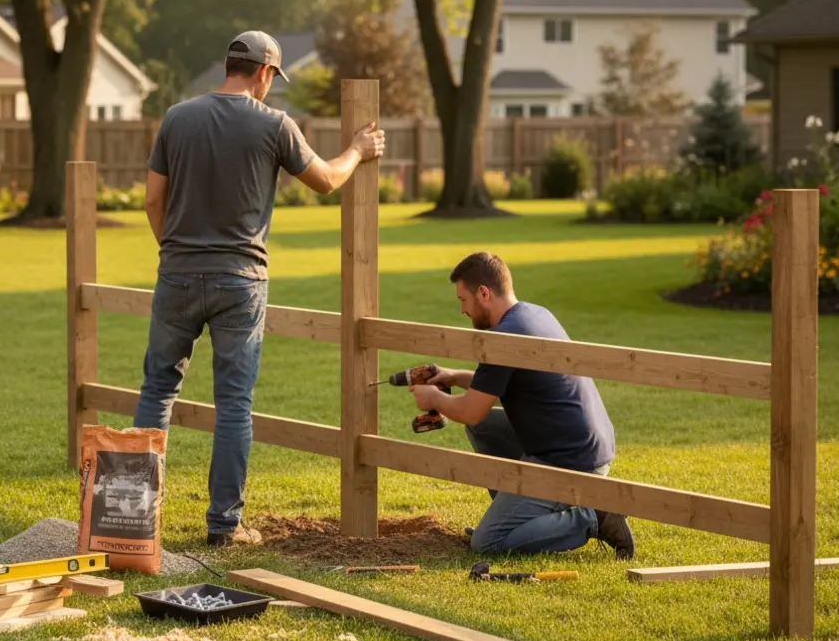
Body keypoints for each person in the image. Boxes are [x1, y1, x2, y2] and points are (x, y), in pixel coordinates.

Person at [133, 31, 386, 547]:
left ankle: (130, 517)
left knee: (157, 389)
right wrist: (357, 150)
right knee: (232, 403)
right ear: (265, 73)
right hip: (240, 282)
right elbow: (326, 180)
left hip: (177, 273)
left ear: (229, 65)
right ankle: (223, 526)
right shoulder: (274, 125)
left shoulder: (177, 117)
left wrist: (174, 252)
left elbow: (152, 200)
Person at [407, 251, 636, 559]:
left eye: (463, 299)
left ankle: (594, 516)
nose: (461, 309)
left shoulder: (503, 340)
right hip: (585, 443)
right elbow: (506, 385)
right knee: (483, 428)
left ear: (484, 293)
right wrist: (452, 375)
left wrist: (433, 398)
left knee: (486, 543)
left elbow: (470, 410)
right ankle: (514, 518)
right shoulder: (533, 315)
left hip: (571, 461)